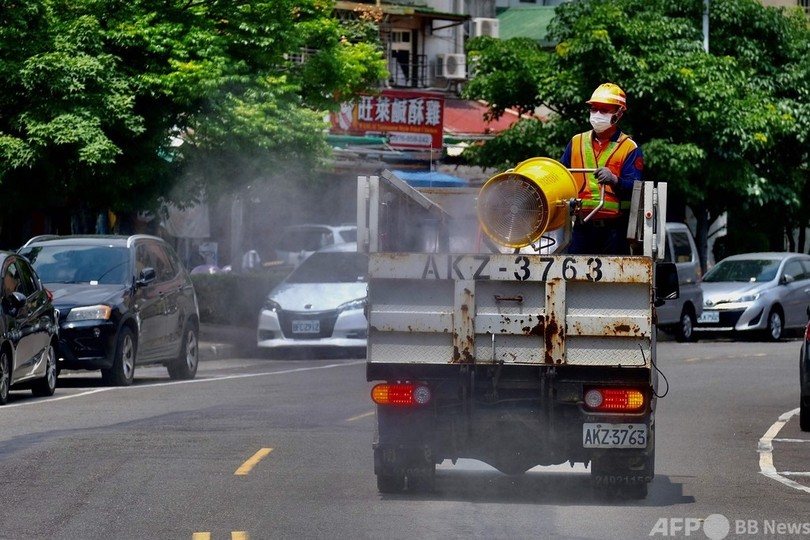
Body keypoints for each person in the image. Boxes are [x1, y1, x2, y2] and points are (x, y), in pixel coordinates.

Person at [560, 82, 644, 255]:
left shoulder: (629, 147)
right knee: (575, 272)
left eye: (604, 110)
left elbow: (635, 188)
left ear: (619, 114)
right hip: (581, 227)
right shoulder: (576, 142)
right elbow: (561, 177)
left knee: (614, 273)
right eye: (594, 109)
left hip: (614, 230)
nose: (597, 114)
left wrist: (615, 180)